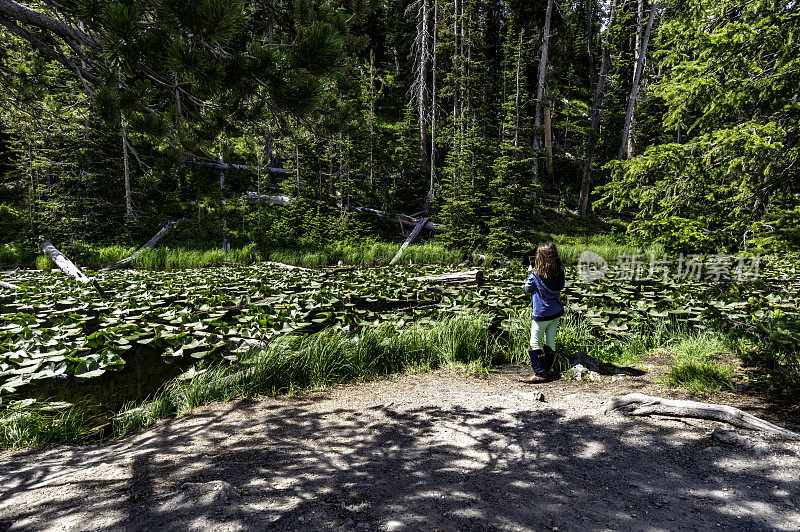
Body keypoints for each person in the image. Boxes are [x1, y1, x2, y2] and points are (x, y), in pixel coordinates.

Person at [520, 242, 565, 383]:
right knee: (550, 340)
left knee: (535, 341)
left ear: (540, 257)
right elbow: (561, 286)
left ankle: (540, 373)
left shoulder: (535, 274)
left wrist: (529, 272)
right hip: (556, 311)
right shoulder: (560, 271)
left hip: (542, 313)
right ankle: (547, 370)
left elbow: (527, 289)